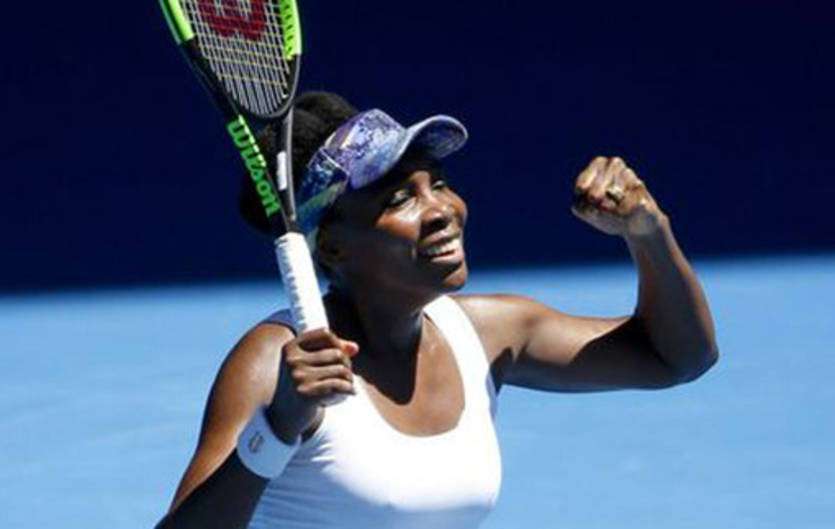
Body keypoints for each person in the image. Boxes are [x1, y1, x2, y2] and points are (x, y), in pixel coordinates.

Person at [156, 92, 718, 529]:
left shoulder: (488, 332)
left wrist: (649, 232)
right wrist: (277, 429)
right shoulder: (270, 360)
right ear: (333, 247)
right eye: (399, 198)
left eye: (439, 184)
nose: (442, 210)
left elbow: (675, 357)